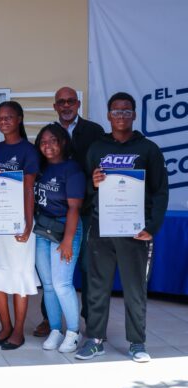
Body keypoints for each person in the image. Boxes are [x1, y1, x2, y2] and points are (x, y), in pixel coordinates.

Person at [76, 92, 168, 363]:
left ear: (134, 115)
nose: (121, 116)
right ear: (108, 115)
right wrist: (93, 183)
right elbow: (85, 188)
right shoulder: (97, 149)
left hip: (135, 231)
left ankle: (137, 343)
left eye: (126, 111)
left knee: (135, 288)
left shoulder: (148, 149)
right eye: (116, 111)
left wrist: (153, 226)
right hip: (101, 228)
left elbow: (160, 191)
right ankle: (95, 340)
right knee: (97, 286)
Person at [30, 87, 105, 337]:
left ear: (78, 103)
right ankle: (50, 322)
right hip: (49, 217)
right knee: (50, 281)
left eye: (70, 101)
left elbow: (102, 163)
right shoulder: (48, 138)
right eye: (61, 102)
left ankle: (88, 323)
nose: (66, 105)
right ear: (55, 106)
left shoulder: (93, 131)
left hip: (85, 207)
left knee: (85, 267)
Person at [0, 100, 40, 350]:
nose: (3, 121)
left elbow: (28, 189)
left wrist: (27, 223)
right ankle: (5, 327)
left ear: (19, 119)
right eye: (0, 117)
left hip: (19, 221)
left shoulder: (29, 150)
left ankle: (18, 330)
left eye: (9, 117)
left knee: (18, 276)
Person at [33, 123, 85, 353]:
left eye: (53, 140)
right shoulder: (42, 168)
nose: (48, 146)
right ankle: (55, 329)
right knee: (48, 285)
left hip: (65, 229)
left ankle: (73, 332)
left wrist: (67, 241)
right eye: (43, 142)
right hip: (43, 229)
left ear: (63, 142)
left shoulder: (72, 169)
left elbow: (74, 208)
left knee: (62, 284)